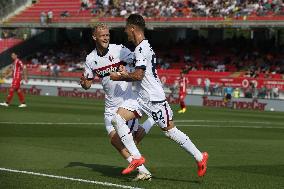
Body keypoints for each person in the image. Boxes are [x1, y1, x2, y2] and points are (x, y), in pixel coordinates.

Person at [110, 14, 208, 177]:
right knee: (117, 119)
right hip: (140, 98)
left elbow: (139, 76)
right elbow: (140, 73)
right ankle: (137, 158)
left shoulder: (141, 49)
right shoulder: (142, 47)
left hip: (153, 99)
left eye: (126, 28)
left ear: (132, 28)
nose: (125, 31)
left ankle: (200, 156)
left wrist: (119, 76)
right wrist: (126, 72)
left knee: (170, 131)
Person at [79, 23, 154, 181]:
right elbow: (88, 83)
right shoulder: (90, 59)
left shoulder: (119, 49)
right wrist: (84, 83)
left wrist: (126, 71)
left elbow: (139, 64)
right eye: (103, 35)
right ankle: (143, 169)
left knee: (131, 141)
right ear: (94, 37)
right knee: (115, 141)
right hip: (109, 105)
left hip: (127, 102)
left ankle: (151, 123)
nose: (106, 37)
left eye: (107, 35)